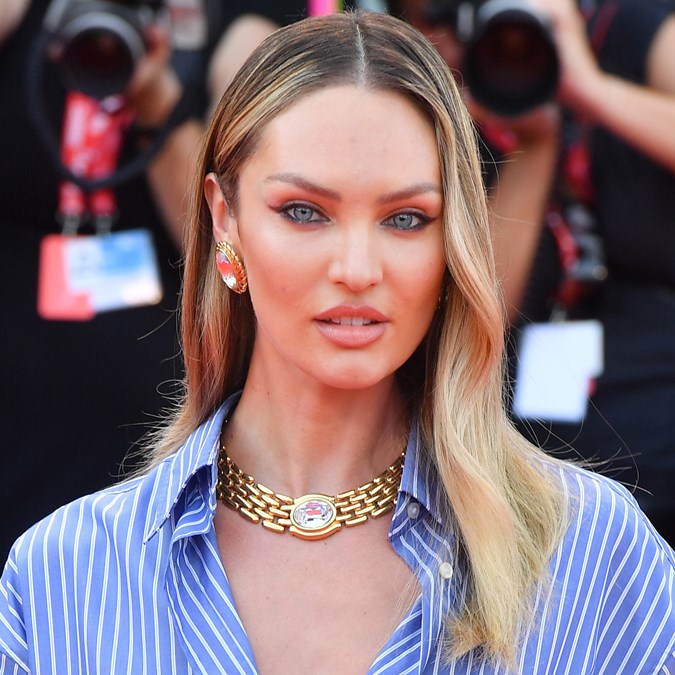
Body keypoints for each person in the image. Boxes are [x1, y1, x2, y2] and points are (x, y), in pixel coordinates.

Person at [1, 10, 673, 674]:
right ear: (224, 218)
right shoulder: (63, 573)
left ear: (454, 242)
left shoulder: (591, 551)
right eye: (304, 212)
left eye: (406, 218)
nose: (356, 268)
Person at [0, 0, 304, 563]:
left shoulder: (235, 28)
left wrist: (155, 97)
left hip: (157, 402)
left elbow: (228, 244)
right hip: (19, 404)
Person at [390, 0, 675, 547]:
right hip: (528, 428)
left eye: (452, 18)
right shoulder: (440, 107)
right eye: (429, 20)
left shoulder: (625, 27)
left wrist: (590, 90)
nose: (442, 41)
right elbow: (474, 321)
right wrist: (535, 142)